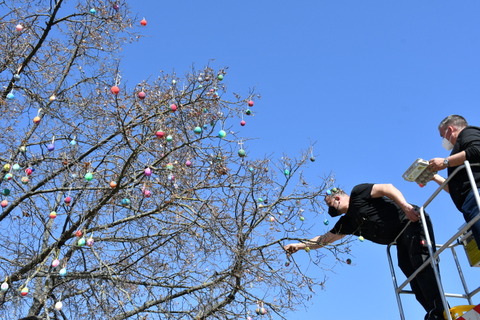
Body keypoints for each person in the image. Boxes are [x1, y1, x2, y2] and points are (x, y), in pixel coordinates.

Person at [284, 183, 444, 320]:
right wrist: (298, 246)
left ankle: (441, 311)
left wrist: (405, 206)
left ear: (337, 198)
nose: (330, 209)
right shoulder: (347, 222)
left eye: (329, 204)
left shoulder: (359, 193)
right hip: (400, 239)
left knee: (421, 264)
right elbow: (324, 239)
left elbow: (387, 188)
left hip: (411, 222)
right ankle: (432, 312)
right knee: (408, 269)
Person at [428, 115, 480, 250]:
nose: (443, 140)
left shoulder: (467, 133)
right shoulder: (457, 156)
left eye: (442, 135)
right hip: (469, 203)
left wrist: (445, 162)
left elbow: (477, 150)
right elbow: (455, 188)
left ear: (450, 129)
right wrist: (434, 177)